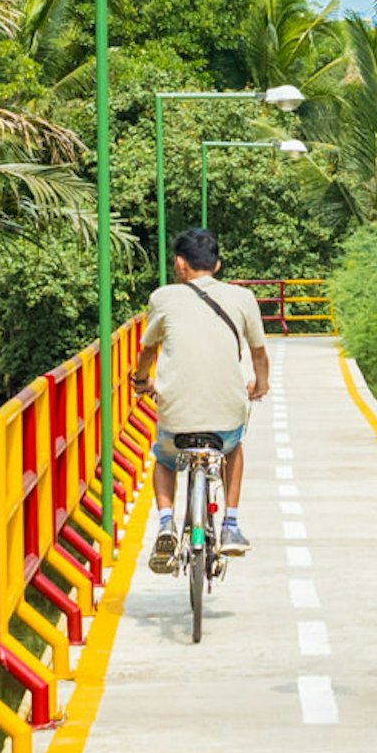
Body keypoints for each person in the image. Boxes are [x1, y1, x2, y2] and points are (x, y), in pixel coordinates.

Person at [135, 226, 271, 570]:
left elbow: (148, 350)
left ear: (180, 264)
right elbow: (259, 354)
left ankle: (166, 522)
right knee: (233, 448)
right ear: (218, 264)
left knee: (165, 459)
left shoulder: (163, 297)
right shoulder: (242, 298)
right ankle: (231, 524)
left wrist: (141, 382)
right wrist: (260, 385)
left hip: (176, 418)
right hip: (225, 417)